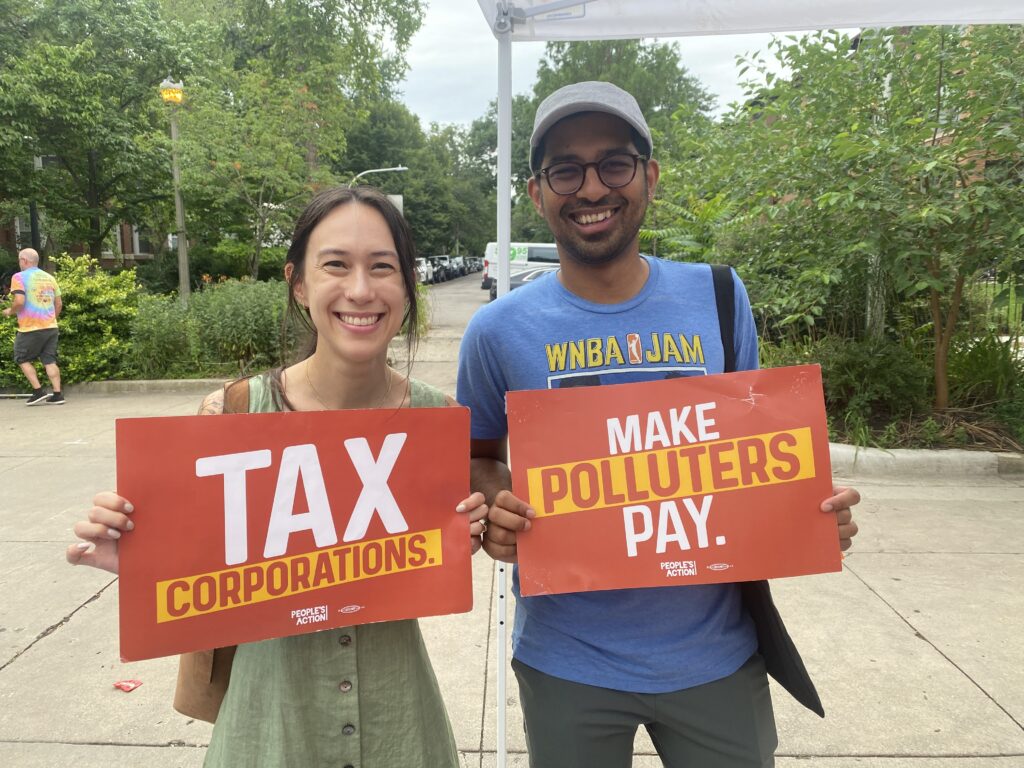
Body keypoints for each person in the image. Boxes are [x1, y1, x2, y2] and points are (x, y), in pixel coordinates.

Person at [457, 81, 861, 768]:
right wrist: (497, 505)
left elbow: (749, 452)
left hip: (717, 655)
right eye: (566, 169)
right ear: (536, 192)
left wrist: (805, 512)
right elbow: (480, 456)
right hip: (565, 660)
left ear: (649, 175)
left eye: (614, 163)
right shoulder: (496, 331)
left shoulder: (721, 296)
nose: (591, 188)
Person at [66, 186, 489, 768]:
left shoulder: (438, 421)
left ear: (407, 284)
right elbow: (196, 577)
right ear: (298, 283)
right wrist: (146, 558)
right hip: (268, 732)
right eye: (335, 265)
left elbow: (449, 550)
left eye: (382, 267)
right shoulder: (232, 415)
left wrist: (471, 532)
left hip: (402, 726)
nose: (361, 290)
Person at [3, 248, 64, 405]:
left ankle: (38, 392)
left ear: (24, 260)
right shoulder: (49, 278)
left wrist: (10, 311)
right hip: (51, 326)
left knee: (21, 357)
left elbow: (19, 301)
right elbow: (59, 303)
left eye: (19, 260)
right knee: (49, 360)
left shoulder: (19, 277)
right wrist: (51, 319)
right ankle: (57, 394)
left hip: (30, 328)